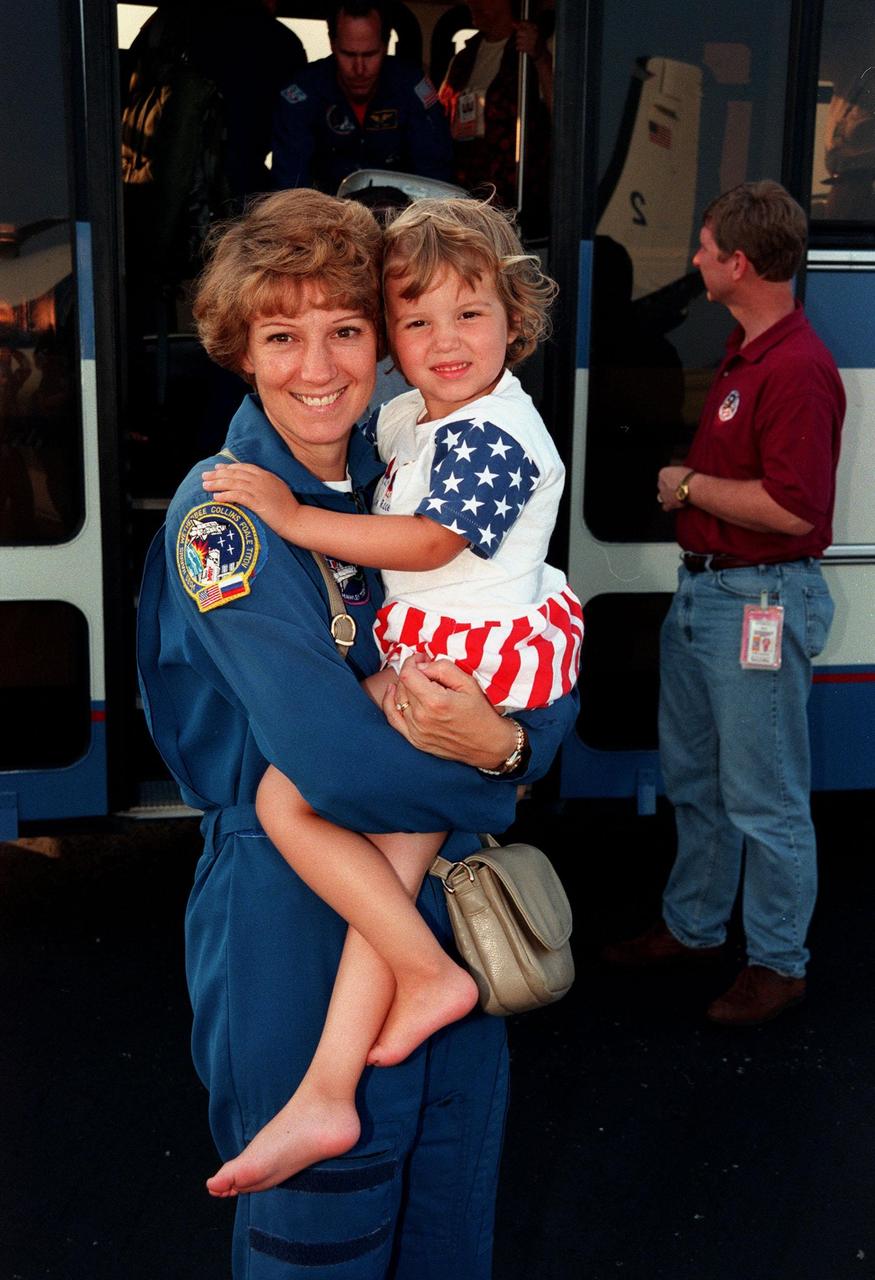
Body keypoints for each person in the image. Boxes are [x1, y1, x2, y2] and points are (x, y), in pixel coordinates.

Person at [136, 187, 577, 1278]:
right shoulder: (227, 514)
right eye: (281, 336)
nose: (318, 366)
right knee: (320, 1235)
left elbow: (539, 662)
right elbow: (326, 760)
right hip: (295, 910)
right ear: (239, 348)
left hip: (441, 906)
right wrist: (496, 764)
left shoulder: (406, 470)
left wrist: (512, 744)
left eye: (344, 329)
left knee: (444, 1220)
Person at [602, 181, 845, 1027]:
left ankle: (778, 964)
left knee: (765, 798)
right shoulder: (749, 352)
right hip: (711, 594)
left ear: (737, 263)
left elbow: (794, 510)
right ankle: (694, 927)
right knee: (696, 780)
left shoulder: (796, 370)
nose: (696, 258)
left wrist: (689, 483)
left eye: (704, 247)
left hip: (754, 603)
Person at [271, 1, 452, 193]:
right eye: (348, 54)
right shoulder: (302, 94)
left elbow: (435, 179)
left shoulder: (412, 88)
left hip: (404, 217)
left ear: (385, 45)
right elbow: (290, 187)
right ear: (332, 44)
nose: (359, 69)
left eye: (370, 54)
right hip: (321, 216)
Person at [438, 0, 551, 220]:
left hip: (513, 196)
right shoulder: (463, 57)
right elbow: (439, 119)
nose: (473, 3)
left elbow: (563, 114)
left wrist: (540, 56)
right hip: (465, 190)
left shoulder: (535, 51)